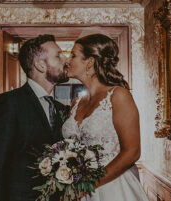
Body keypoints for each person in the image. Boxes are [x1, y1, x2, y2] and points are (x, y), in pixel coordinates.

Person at [0, 34, 70, 201]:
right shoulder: (9, 103)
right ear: (40, 65)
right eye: (58, 56)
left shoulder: (60, 108)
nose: (65, 59)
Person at [61, 34, 149, 201]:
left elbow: (132, 152)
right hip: (77, 186)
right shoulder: (76, 102)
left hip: (112, 187)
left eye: (73, 55)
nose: (67, 60)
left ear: (90, 62)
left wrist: (89, 184)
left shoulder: (118, 95)